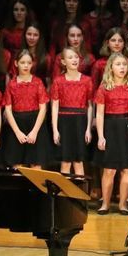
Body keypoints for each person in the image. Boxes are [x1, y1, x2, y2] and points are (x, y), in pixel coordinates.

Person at [94, 53, 128, 214]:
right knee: (109, 169)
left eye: (124, 64)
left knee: (126, 169)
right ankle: (105, 204)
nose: (122, 67)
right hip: (110, 127)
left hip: (127, 128)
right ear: (111, 67)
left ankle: (122, 204)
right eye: (118, 64)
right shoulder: (104, 87)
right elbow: (99, 114)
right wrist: (101, 136)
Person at [49, 48, 92, 178]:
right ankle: (64, 197)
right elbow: (55, 105)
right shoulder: (58, 81)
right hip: (64, 122)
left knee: (78, 162)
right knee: (66, 162)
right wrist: (55, 129)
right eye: (70, 57)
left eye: (76, 57)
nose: (74, 60)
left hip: (80, 121)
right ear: (63, 61)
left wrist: (88, 128)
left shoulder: (87, 80)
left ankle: (80, 196)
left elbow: (90, 106)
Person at [3, 50, 49, 168]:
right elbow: (8, 110)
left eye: (28, 63)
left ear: (32, 64)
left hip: (35, 124)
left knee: (36, 165)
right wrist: (17, 132)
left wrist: (34, 132)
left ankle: (35, 188)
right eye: (22, 62)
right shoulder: (12, 84)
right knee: (17, 166)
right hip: (17, 125)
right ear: (16, 63)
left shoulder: (38, 82)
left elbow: (43, 108)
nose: (26, 65)